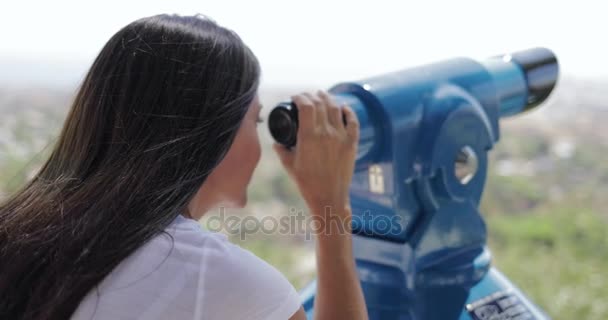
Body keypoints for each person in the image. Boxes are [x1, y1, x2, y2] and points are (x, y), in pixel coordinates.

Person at [0, 13, 367, 320]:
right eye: (254, 122)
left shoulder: (19, 234)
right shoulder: (218, 278)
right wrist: (330, 205)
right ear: (212, 133)